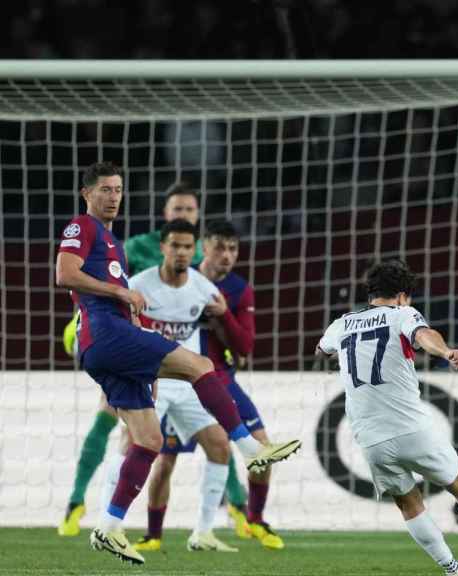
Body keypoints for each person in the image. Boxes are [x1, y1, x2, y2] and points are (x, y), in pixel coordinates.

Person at [54, 161, 301, 565]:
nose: (113, 196)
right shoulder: (83, 226)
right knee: (201, 366)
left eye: (118, 189)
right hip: (106, 336)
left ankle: (109, 526)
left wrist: (124, 308)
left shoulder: (112, 241)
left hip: (110, 343)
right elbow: (64, 274)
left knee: (148, 441)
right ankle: (251, 449)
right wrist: (118, 292)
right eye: (105, 190)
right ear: (87, 194)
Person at [315, 260, 458, 576]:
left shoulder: (341, 324)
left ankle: (453, 570)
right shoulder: (402, 314)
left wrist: (343, 357)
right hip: (409, 428)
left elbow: (321, 351)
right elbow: (424, 335)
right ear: (403, 295)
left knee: (409, 504)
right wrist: (446, 353)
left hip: (370, 439)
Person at [133, 220, 285, 551]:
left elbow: (244, 346)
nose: (226, 256)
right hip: (176, 379)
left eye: (233, 249)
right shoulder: (178, 279)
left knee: (262, 447)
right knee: (164, 459)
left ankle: (254, 521)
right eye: (219, 247)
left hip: (219, 379)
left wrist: (223, 315)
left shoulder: (237, 290)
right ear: (204, 247)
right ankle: (153, 534)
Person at [98, 218, 238, 552]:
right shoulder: (139, 285)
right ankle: (107, 523)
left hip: (189, 381)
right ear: (162, 247)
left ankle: (203, 534)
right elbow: (119, 331)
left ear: (195, 251)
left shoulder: (204, 288)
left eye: (187, 246)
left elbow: (239, 339)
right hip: (150, 378)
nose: (180, 252)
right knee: (132, 442)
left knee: (219, 445)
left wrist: (224, 315)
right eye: (174, 245)